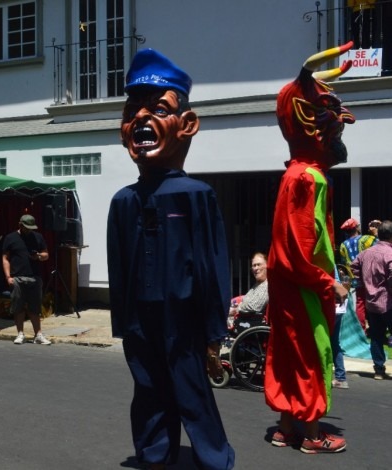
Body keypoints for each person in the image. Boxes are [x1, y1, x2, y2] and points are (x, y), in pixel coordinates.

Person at [107, 48, 234, 470]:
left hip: (185, 318)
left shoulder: (196, 195)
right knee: (148, 391)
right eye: (132, 111)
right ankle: (153, 455)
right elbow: (118, 264)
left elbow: (213, 262)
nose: (141, 119)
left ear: (187, 125)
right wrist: (122, 322)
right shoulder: (123, 201)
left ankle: (214, 460)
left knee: (191, 389)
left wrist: (216, 327)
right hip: (140, 320)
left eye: (158, 109)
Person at [265, 42, 354, 453]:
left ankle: (286, 426)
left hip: (288, 289)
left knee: (288, 354)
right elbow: (297, 251)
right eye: (335, 124)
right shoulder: (309, 179)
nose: (341, 128)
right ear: (313, 126)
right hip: (302, 288)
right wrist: (328, 283)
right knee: (313, 354)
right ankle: (314, 435)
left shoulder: (296, 175)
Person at [350, 219, 392, 381]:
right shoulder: (389, 254)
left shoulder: (366, 253)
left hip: (371, 302)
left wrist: (362, 282)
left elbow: (352, 267)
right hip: (388, 302)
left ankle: (379, 370)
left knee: (376, 337)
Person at [2, 214, 51, 346]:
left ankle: (38, 334)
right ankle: (20, 334)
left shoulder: (38, 237)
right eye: (27, 228)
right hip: (17, 277)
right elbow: (5, 258)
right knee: (18, 307)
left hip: (34, 277)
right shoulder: (11, 238)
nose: (29, 230)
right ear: (20, 225)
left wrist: (39, 256)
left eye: (31, 228)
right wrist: (8, 277)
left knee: (35, 308)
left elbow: (46, 254)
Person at [229, 252, 269, 320]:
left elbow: (254, 307)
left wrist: (236, 309)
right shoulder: (257, 284)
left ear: (267, 266)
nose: (256, 268)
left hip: (250, 322)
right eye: (254, 265)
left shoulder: (267, 284)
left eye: (258, 265)